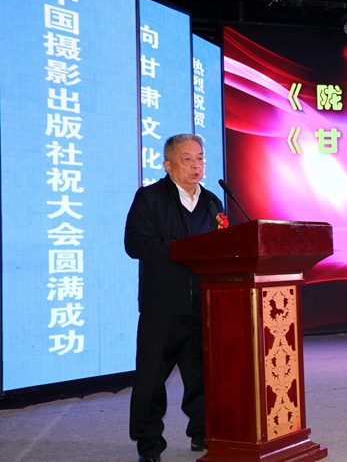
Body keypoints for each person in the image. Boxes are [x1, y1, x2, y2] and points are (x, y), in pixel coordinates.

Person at [124, 134, 224, 462]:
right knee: (151, 379)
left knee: (202, 376)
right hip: (163, 305)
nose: (196, 166)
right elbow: (134, 243)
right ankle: (149, 445)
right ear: (168, 165)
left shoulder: (212, 201)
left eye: (200, 158)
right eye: (187, 159)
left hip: (203, 303)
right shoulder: (150, 197)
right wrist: (180, 250)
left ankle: (203, 433)